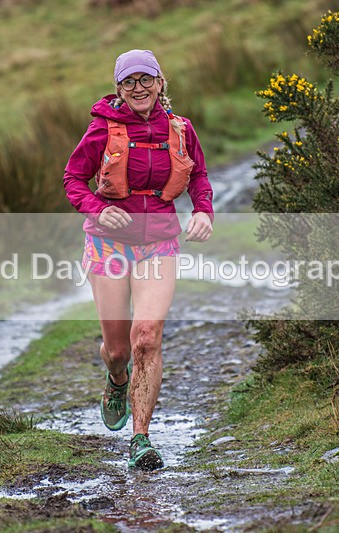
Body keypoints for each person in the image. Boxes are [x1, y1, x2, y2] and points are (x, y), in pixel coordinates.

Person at [63, 49, 214, 470]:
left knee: (145, 337)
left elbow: (198, 175)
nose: (139, 88)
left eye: (146, 79)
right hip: (109, 245)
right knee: (117, 350)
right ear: (119, 89)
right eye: (129, 82)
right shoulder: (101, 131)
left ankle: (141, 439)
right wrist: (96, 208)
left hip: (159, 244)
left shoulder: (180, 129)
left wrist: (203, 210)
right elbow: (73, 178)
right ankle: (116, 380)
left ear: (161, 83)